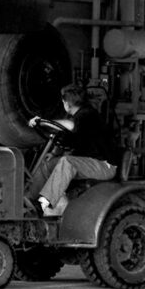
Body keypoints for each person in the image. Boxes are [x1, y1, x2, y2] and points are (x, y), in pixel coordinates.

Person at [33, 84, 118, 217]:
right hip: (90, 162)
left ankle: (46, 205)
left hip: (104, 165)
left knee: (67, 163)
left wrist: (44, 123)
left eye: (63, 102)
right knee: (48, 164)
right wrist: (55, 153)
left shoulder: (87, 116)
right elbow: (70, 137)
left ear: (67, 103)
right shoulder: (80, 116)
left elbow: (72, 134)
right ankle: (29, 199)